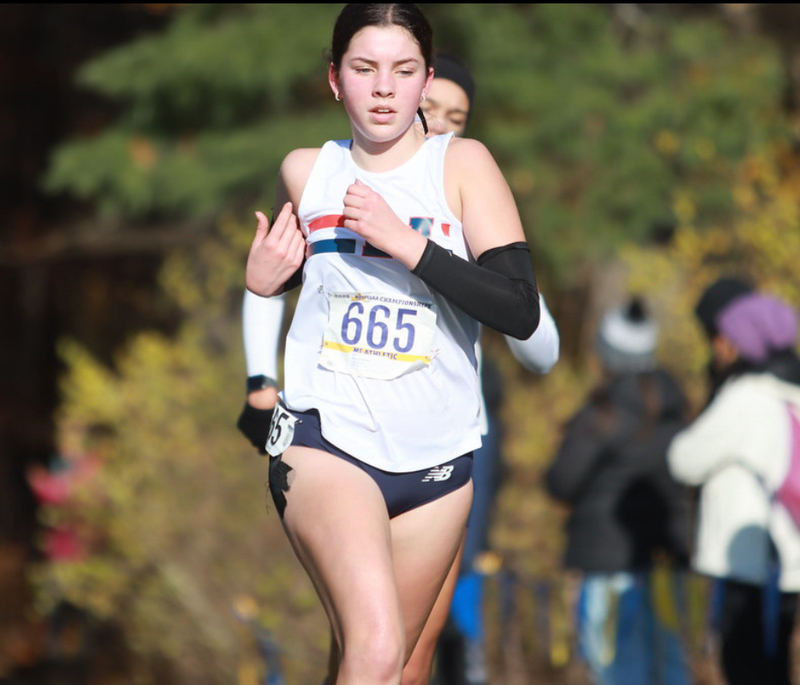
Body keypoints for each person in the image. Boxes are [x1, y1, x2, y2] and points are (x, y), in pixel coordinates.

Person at [237, 48, 559, 685]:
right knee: (377, 646)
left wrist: (414, 246)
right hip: (330, 439)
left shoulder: (466, 176)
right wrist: (258, 378)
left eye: (452, 115)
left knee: (400, 665)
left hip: (439, 453)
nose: (431, 120)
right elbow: (282, 278)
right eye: (370, 75)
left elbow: (536, 336)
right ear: (340, 80)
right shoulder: (314, 171)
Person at [545, 297, 693, 685]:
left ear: (606, 353)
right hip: (668, 561)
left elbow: (562, 482)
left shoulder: (602, 414)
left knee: (614, 667)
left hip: (605, 562)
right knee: (669, 662)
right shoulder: (678, 410)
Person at [667, 284, 800, 685]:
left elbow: (683, 460)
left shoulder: (744, 397)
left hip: (747, 561)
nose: (717, 347)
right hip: (789, 563)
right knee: (775, 668)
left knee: (743, 666)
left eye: (724, 338)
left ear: (742, 344)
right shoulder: (793, 393)